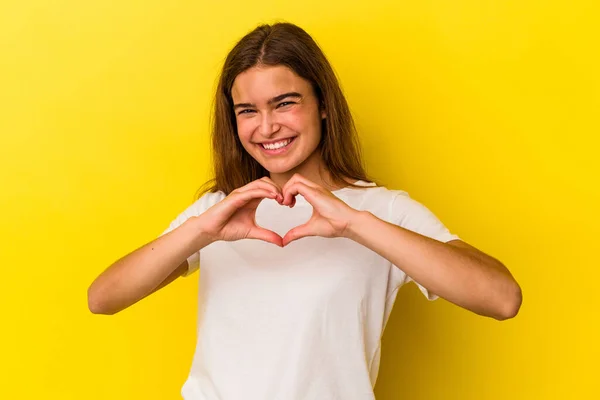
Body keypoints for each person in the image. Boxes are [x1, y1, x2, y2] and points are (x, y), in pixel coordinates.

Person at [88, 22, 522, 400]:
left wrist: (354, 223)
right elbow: (103, 299)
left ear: (324, 104)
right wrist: (201, 230)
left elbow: (501, 298)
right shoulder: (219, 213)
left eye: (285, 103)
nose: (266, 126)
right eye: (247, 111)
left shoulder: (381, 209)